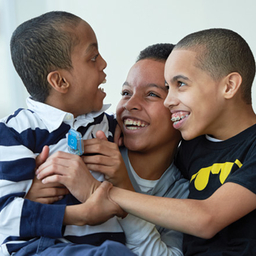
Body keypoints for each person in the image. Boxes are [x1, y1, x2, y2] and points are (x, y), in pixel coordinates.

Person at [38, 28, 256, 255]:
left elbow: (206, 218)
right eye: (125, 92)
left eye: (179, 84)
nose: (171, 101)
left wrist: (103, 191)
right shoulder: (192, 147)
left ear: (229, 86)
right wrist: (28, 192)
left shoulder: (183, 174)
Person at [29, 43, 189, 256]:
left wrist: (120, 187)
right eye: (126, 92)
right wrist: (28, 195)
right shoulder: (85, 150)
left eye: (151, 94)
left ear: (179, 109)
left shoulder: (182, 193)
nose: (130, 104)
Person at [0, 11, 135, 256]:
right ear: (60, 82)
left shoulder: (110, 127)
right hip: (41, 248)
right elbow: (4, 214)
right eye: (93, 58)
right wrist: (81, 215)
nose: (104, 64)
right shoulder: (16, 131)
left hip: (104, 248)